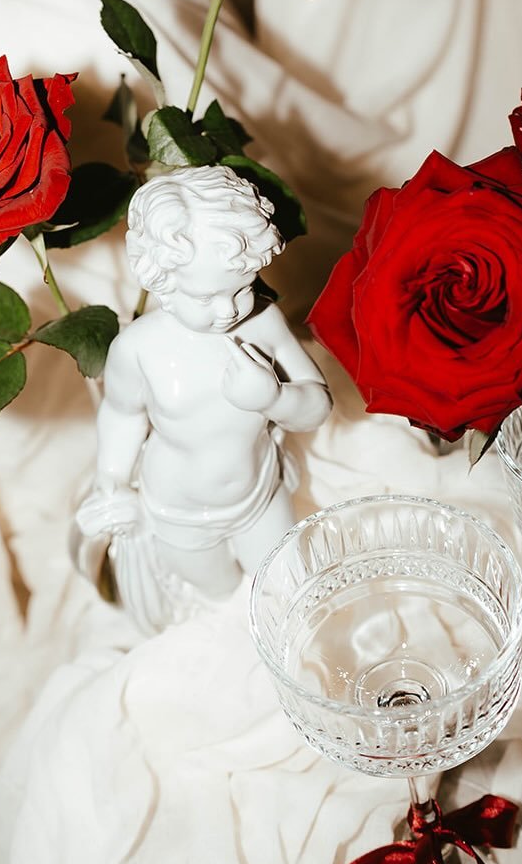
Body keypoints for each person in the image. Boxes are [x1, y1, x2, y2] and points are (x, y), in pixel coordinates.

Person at [76, 166, 332, 626]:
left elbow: (317, 405)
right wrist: (112, 479)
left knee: (289, 586)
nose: (228, 310)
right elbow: (122, 416)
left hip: (259, 495)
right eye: (206, 296)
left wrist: (273, 399)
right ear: (162, 282)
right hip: (180, 513)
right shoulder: (137, 349)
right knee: (221, 599)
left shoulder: (264, 324)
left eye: (243, 289)